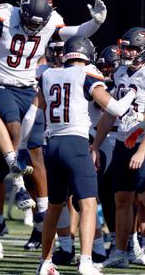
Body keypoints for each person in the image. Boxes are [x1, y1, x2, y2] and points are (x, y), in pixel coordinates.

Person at [0, 0, 107, 250]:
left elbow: (74, 32)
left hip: (31, 87)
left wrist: (94, 23)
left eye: (37, 24)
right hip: (3, 84)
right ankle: (18, 185)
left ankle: (41, 212)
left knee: (37, 151)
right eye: (29, 21)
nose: (32, 27)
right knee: (14, 127)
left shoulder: (51, 26)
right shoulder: (4, 14)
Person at [20, 36, 135, 275]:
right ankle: (85, 261)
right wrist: (132, 93)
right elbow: (117, 109)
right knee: (88, 203)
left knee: (54, 206)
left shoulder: (48, 75)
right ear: (87, 55)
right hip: (76, 144)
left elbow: (31, 115)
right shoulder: (87, 74)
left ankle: (45, 262)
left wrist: (20, 147)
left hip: (51, 146)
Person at [92, 27, 145, 268]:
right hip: (125, 140)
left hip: (142, 141)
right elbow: (110, 114)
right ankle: (121, 252)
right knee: (122, 199)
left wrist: (143, 150)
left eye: (132, 48)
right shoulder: (122, 71)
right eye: (126, 47)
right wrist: (96, 145)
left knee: (143, 198)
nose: (127, 52)